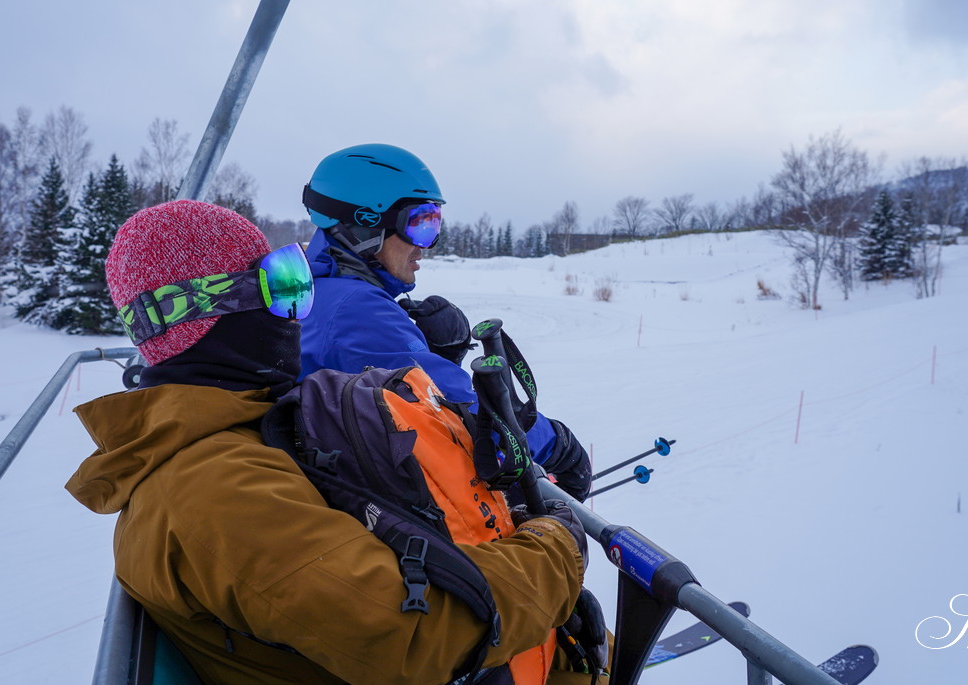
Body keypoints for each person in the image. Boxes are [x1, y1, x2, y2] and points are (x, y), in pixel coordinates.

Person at [65, 199, 590, 685]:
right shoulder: (210, 490)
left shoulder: (247, 429)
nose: (300, 311)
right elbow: (415, 632)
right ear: (200, 314)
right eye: (282, 284)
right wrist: (556, 548)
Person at [299, 143, 593, 501]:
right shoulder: (354, 310)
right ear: (366, 225)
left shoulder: (314, 289)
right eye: (419, 224)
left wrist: (433, 354)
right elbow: (462, 414)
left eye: (434, 224)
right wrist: (556, 444)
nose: (426, 247)